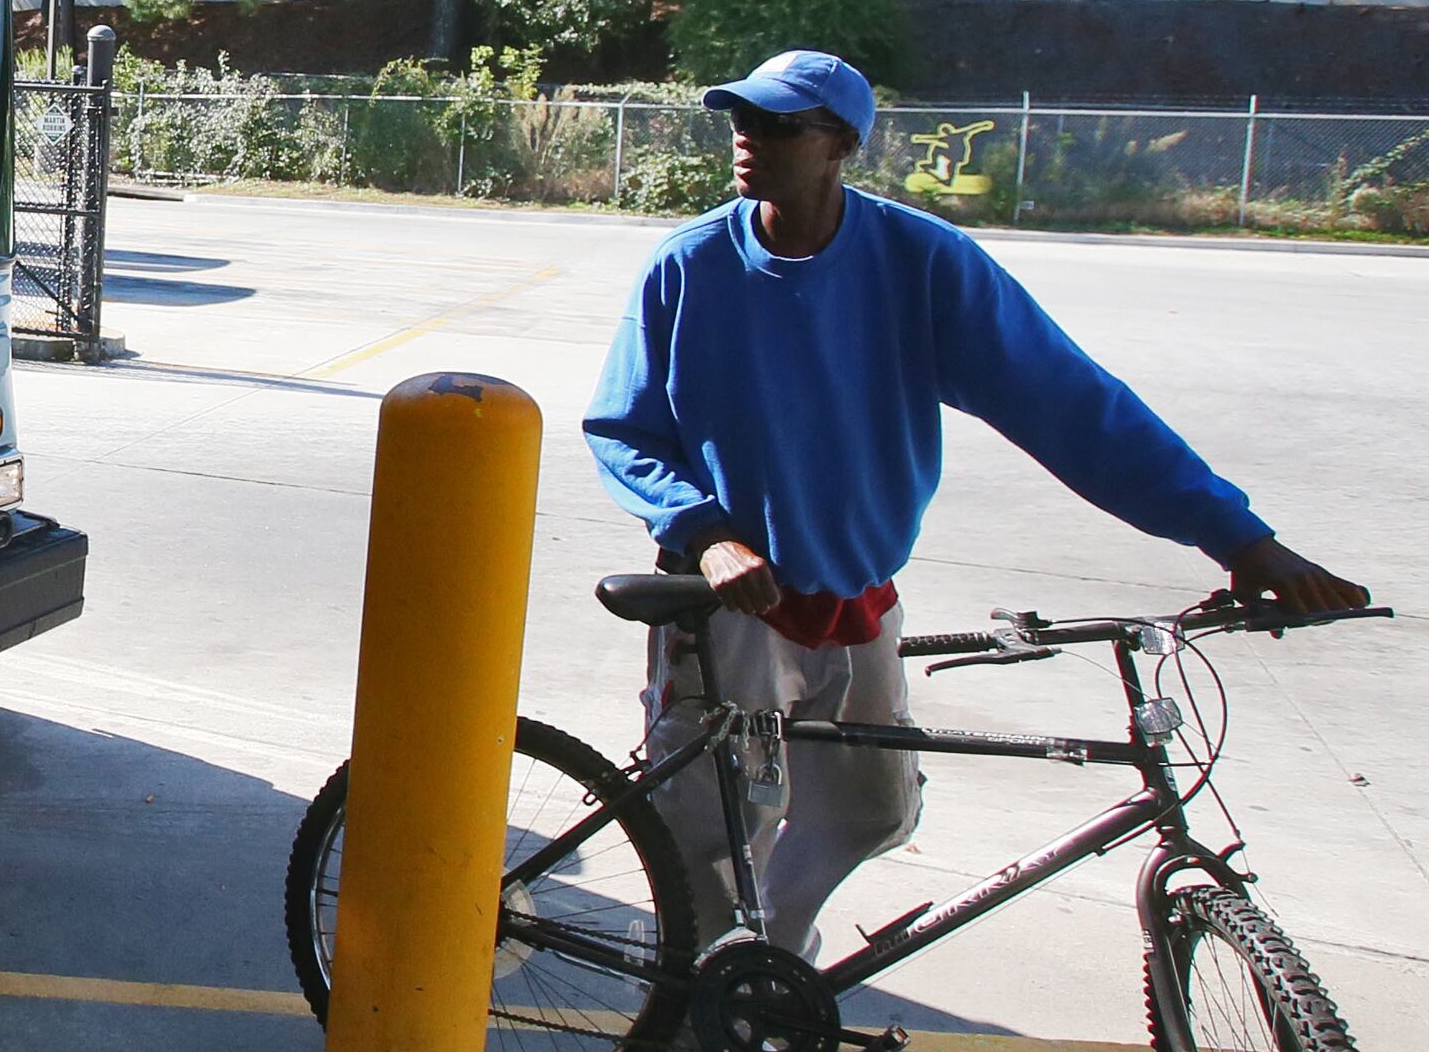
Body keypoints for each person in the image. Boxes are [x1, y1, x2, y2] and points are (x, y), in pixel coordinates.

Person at [581, 48, 1362, 963]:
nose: (749, 139)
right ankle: (707, 988)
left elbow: (1075, 407)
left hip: (857, 596)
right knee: (718, 828)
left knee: (873, 809)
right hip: (728, 606)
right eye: (740, 119)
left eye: (779, 124)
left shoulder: (922, 264)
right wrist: (705, 533)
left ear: (841, 146)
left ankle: (765, 961)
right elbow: (622, 426)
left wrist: (1240, 538)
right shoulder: (690, 267)